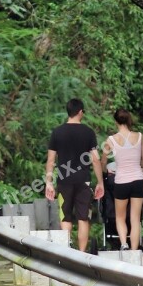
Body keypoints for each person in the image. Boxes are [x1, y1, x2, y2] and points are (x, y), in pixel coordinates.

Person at [44, 99, 105, 251]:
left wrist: (49, 182)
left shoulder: (57, 132)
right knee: (83, 218)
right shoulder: (88, 132)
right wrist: (100, 182)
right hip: (83, 181)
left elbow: (51, 160)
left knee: (65, 216)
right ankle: (82, 255)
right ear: (80, 112)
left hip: (64, 181)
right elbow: (96, 159)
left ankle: (66, 251)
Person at [101, 109, 143, 251]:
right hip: (138, 181)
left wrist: (107, 171)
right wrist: (137, 166)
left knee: (120, 217)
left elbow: (103, 162)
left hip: (121, 182)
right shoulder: (139, 137)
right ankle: (134, 251)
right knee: (135, 219)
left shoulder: (111, 140)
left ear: (115, 122)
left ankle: (123, 244)